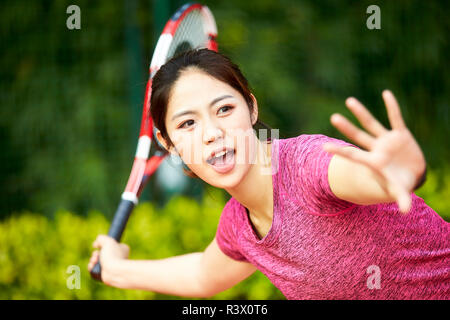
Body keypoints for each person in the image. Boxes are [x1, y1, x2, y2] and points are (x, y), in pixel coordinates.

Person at [88, 48, 449, 299]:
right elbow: (201, 274)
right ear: (169, 144)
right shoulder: (238, 227)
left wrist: (397, 174)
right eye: (188, 123)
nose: (211, 132)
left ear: (251, 106)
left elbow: (366, 179)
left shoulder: (306, 166)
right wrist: (116, 270)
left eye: (224, 109)